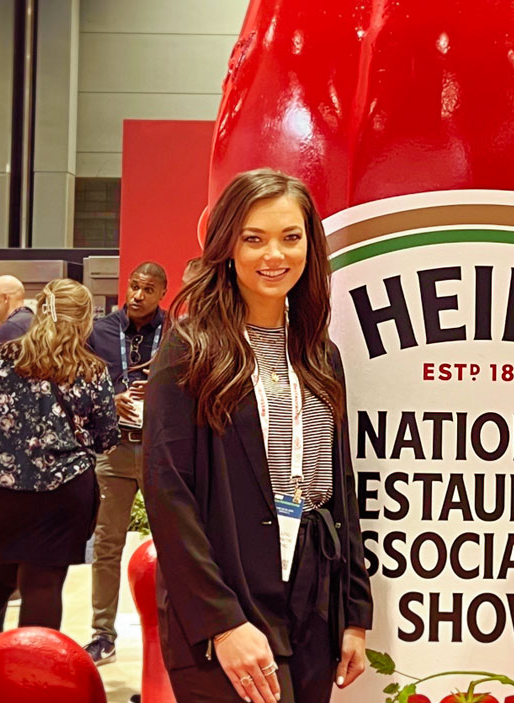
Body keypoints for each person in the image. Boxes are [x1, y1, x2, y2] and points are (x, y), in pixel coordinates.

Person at [143, 169, 372, 703]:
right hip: (226, 609)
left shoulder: (319, 354)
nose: (275, 255)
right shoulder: (189, 351)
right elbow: (167, 495)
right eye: (254, 238)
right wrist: (221, 622)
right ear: (226, 245)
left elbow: (340, 488)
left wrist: (353, 612)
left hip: (312, 606)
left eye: (291, 238)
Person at [0, 279, 120, 703]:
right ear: (84, 321)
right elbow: (107, 436)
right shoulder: (90, 369)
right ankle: (32, 686)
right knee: (42, 584)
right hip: (62, 494)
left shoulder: (0, 357)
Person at [83, 260, 168, 665]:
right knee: (106, 544)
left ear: (161, 294)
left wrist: (160, 391)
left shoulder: (175, 333)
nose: (137, 295)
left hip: (158, 449)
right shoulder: (99, 332)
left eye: (147, 289)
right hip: (113, 450)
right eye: (134, 286)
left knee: (174, 542)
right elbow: (78, 382)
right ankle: (102, 633)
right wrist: (106, 400)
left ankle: (174, 630)